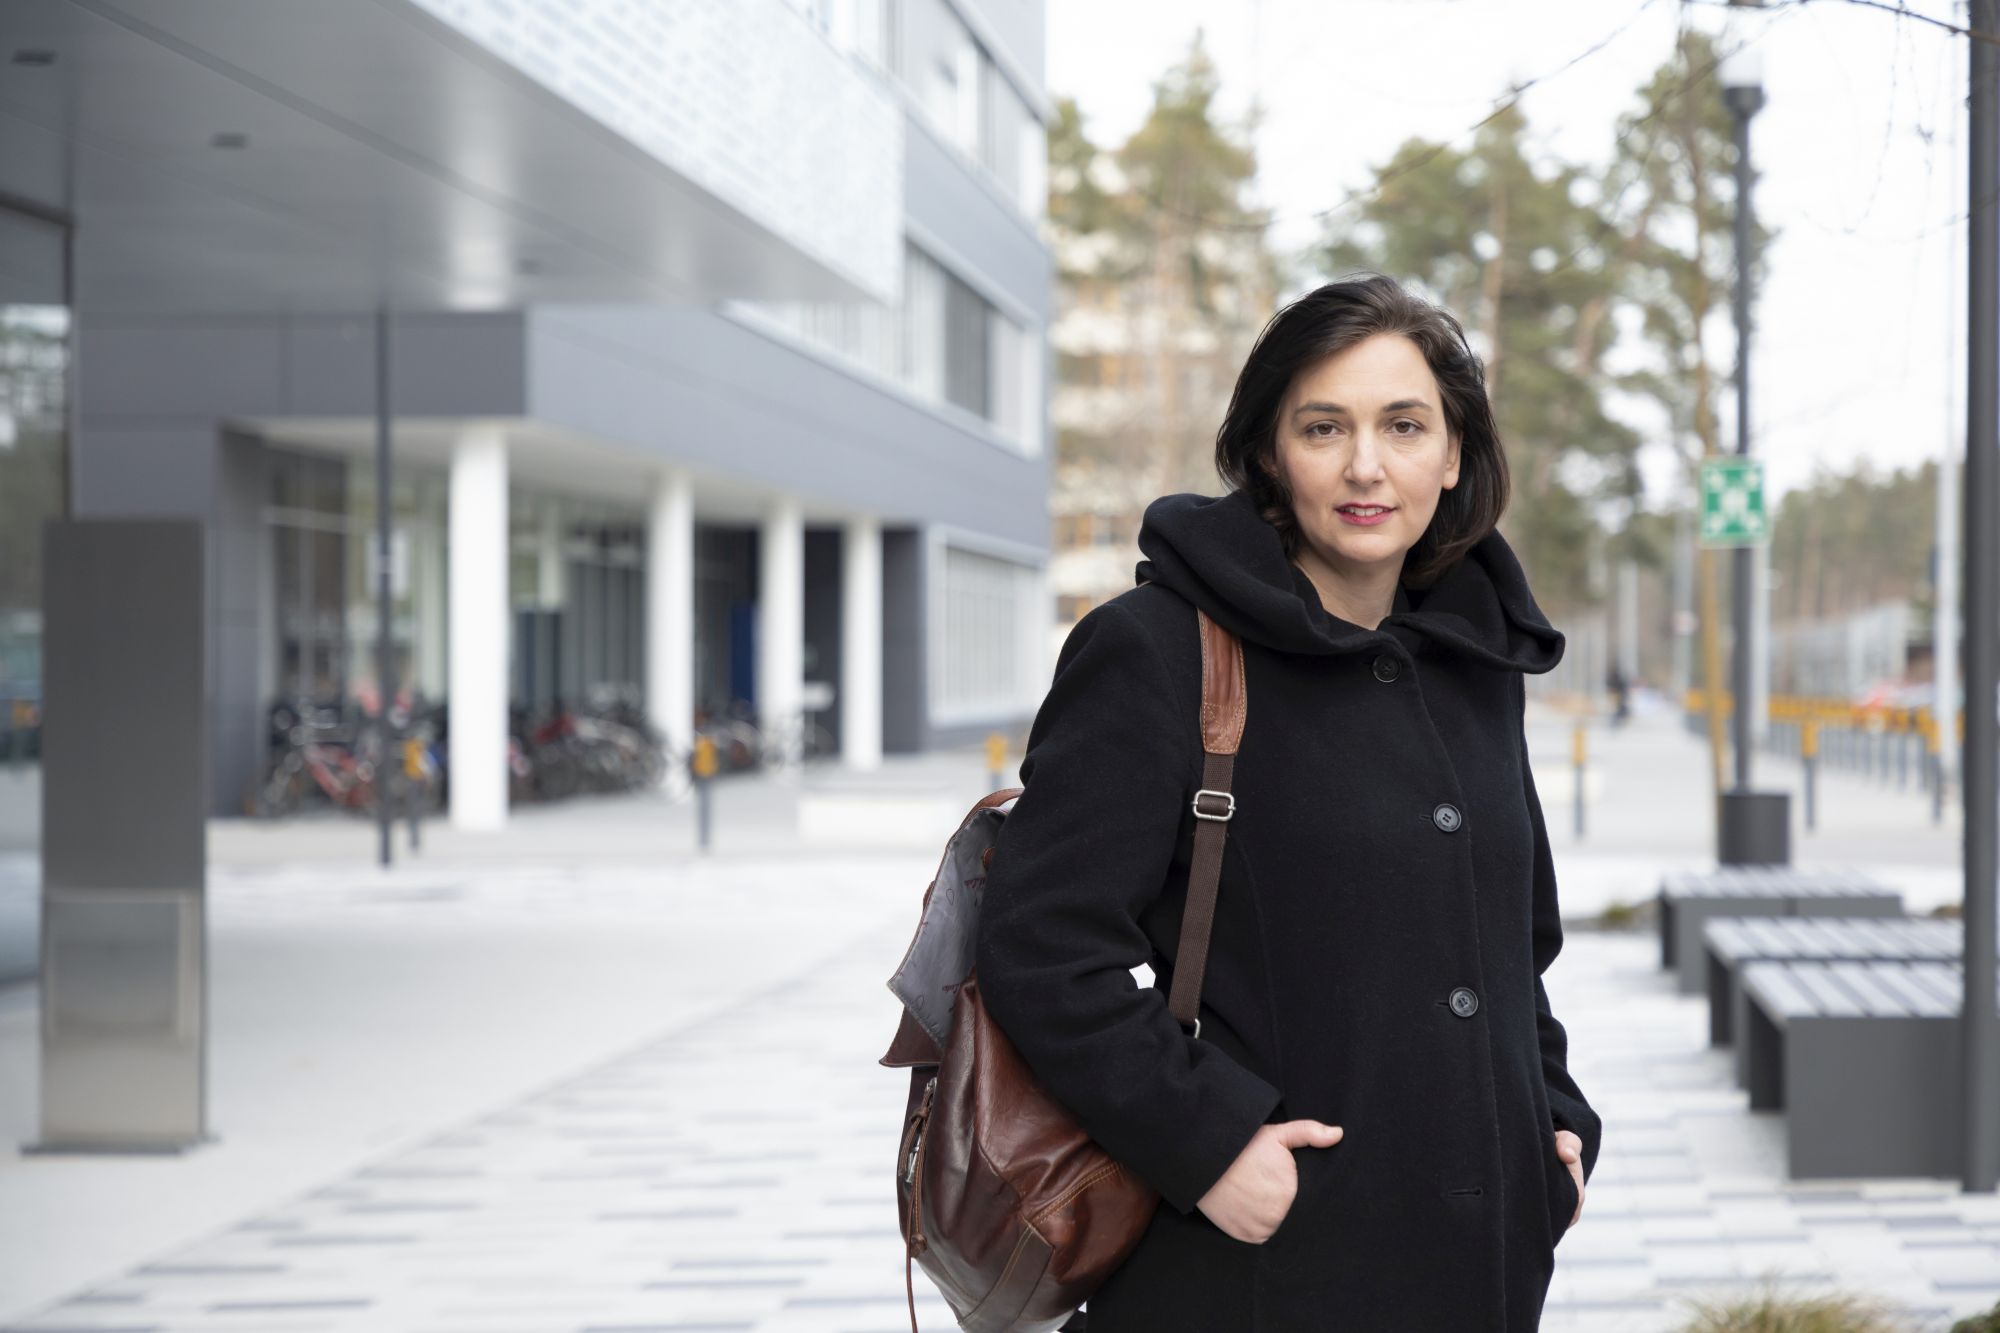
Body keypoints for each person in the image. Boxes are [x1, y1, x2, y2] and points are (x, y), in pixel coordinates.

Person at [973, 273, 1600, 1332]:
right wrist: (1206, 1144)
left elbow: (1507, 945)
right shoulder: (1160, 649)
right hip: (1254, 1272)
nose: (1366, 464)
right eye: (1324, 426)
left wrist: (1555, 1123)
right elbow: (1040, 945)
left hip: (1477, 1267)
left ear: (1451, 456)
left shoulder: (1473, 661)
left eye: (1403, 425)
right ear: (1269, 452)